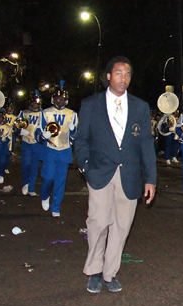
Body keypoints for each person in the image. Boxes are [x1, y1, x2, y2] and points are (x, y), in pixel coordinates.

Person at [74, 56, 157, 293]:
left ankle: (110, 273)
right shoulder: (91, 104)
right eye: (119, 73)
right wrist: (85, 166)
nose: (124, 78)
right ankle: (94, 270)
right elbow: (81, 140)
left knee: (121, 226)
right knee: (98, 222)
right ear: (108, 76)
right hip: (100, 172)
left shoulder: (140, 107)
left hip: (129, 175)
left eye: (128, 74)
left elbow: (146, 143)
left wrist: (150, 179)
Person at [38, 82, 78, 217]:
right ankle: (44, 195)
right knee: (48, 178)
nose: (60, 101)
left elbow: (76, 135)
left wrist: (73, 132)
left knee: (61, 181)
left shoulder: (72, 114)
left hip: (64, 150)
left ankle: (56, 207)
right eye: (57, 98)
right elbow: (37, 135)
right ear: (53, 99)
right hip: (50, 149)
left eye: (62, 98)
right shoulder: (45, 113)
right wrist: (43, 135)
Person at [17, 92, 43, 196]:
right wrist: (20, 131)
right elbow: (17, 125)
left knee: (34, 166)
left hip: (37, 143)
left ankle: (31, 187)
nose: (35, 105)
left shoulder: (43, 114)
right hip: (26, 141)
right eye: (33, 103)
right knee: (26, 163)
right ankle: (25, 183)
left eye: (36, 104)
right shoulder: (24, 113)